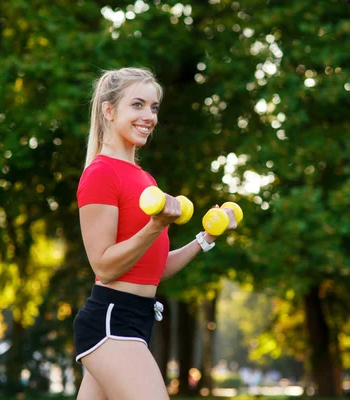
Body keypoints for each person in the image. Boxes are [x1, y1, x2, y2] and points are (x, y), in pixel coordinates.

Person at [73, 67, 238, 399]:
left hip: (136, 319)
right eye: (137, 105)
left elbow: (152, 269)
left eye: (154, 107)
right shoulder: (100, 174)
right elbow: (104, 267)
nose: (148, 115)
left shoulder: (144, 178)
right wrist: (156, 226)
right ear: (109, 110)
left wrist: (205, 238)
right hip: (111, 321)